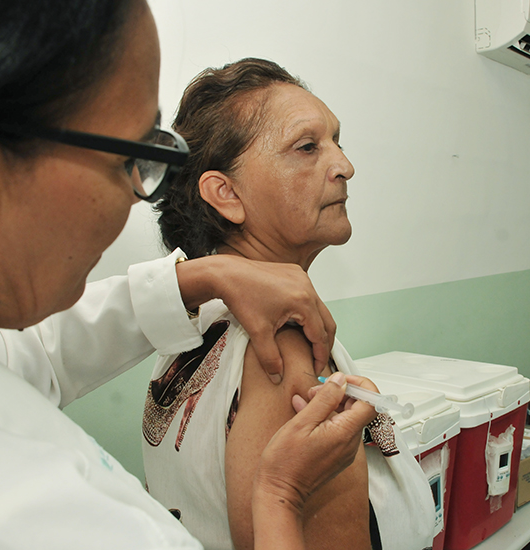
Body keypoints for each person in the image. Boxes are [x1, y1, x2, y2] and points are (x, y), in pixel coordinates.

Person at [0, 1, 376, 548]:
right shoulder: (4, 518)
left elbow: (42, 351)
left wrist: (200, 278)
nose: (344, 165)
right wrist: (280, 493)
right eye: (132, 154)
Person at [142, 58, 436, 550]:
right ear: (226, 194)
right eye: (307, 147)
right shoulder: (284, 349)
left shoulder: (195, 320)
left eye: (337, 141)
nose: (345, 165)